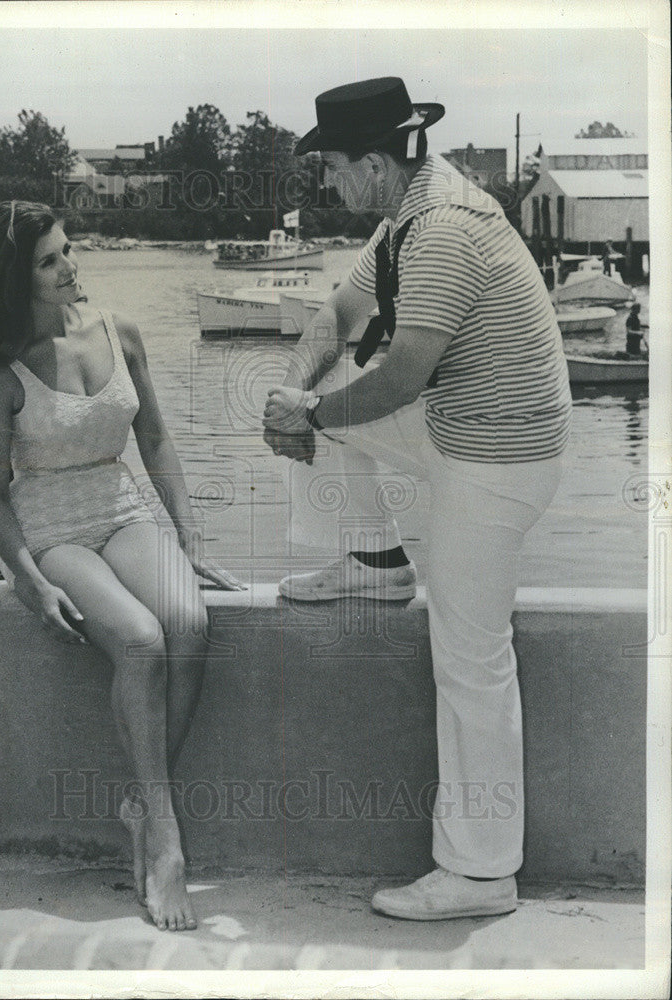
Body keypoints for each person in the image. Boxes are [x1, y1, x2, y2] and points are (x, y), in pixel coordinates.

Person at [263, 78, 572, 920]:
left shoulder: (440, 230)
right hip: (457, 429)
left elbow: (403, 373)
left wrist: (313, 411)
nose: (325, 183)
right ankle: (374, 563)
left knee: (469, 659)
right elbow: (337, 309)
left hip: (497, 461)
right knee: (317, 403)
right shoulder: (407, 213)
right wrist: (295, 401)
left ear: (370, 164)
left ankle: (480, 873)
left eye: (330, 167)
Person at [0, 201, 244, 932]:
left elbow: (153, 438)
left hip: (121, 507)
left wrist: (189, 537)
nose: (70, 266)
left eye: (68, 250)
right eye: (50, 260)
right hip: (51, 527)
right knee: (141, 641)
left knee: (189, 620)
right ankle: (165, 840)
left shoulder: (120, 333)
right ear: (13, 279)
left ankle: (141, 806)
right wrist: (30, 578)